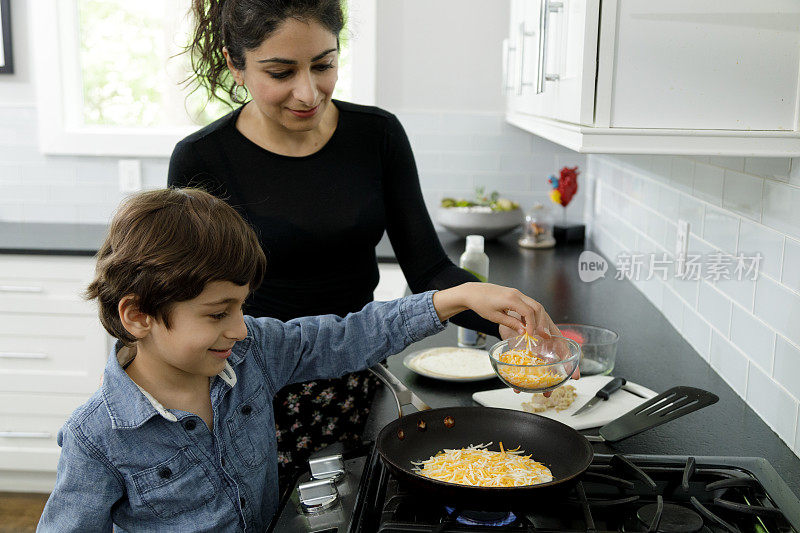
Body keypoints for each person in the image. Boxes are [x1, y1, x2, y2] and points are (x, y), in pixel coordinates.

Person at [36, 188, 561, 531]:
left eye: (242, 307)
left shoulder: (250, 354)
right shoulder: (96, 438)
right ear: (139, 316)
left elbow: (348, 335)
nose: (239, 329)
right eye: (218, 313)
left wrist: (455, 297)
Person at [168, 0, 532, 477]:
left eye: (324, 65)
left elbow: (428, 269)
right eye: (281, 72)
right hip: (251, 386)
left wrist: (510, 319)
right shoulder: (202, 159)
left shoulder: (376, 135)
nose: (307, 92)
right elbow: (186, 306)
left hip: (357, 372)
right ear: (235, 64)